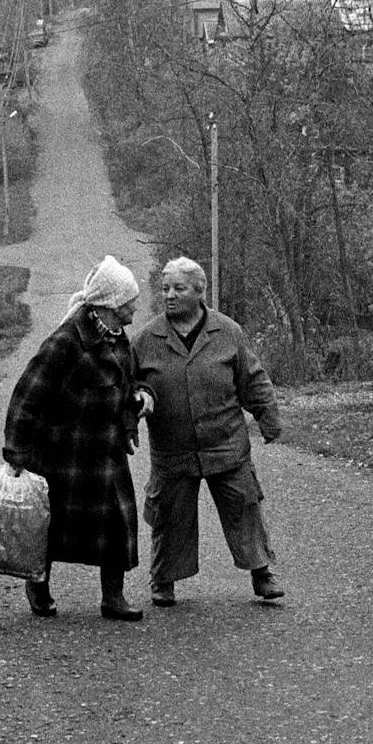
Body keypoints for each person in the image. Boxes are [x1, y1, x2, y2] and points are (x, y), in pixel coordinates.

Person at [131, 256, 285, 606]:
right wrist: (136, 404)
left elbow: (253, 379)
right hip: (173, 449)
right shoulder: (146, 339)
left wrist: (268, 419)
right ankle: (163, 579)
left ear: (199, 291)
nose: (169, 295)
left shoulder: (227, 331)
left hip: (226, 444)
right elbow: (129, 384)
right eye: (165, 288)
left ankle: (263, 573)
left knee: (245, 507)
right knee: (169, 516)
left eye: (179, 288)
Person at [1, 255, 147, 622]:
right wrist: (16, 450)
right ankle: (38, 586)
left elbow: (128, 387)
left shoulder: (119, 339)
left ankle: (113, 598)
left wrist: (131, 420)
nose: (135, 306)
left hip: (107, 454)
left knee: (117, 525)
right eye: (129, 300)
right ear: (111, 304)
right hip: (63, 454)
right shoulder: (66, 341)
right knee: (49, 526)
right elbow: (27, 394)